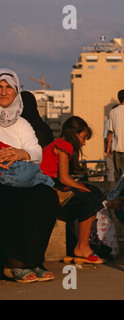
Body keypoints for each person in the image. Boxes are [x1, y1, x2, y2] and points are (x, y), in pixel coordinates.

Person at [0, 68, 60, 283]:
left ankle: (34, 260)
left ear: (16, 92)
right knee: (7, 201)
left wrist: (20, 152)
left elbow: (36, 153)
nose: (4, 92)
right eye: (0, 87)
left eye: (9, 87)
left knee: (48, 198)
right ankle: (14, 261)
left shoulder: (22, 123)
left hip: (22, 179)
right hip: (2, 180)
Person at [40, 116, 106, 264]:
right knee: (90, 198)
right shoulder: (64, 145)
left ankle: (82, 243)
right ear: (75, 134)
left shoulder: (58, 143)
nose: (83, 143)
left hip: (51, 184)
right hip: (49, 187)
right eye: (83, 138)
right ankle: (82, 246)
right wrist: (82, 189)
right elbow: (64, 178)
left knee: (94, 193)